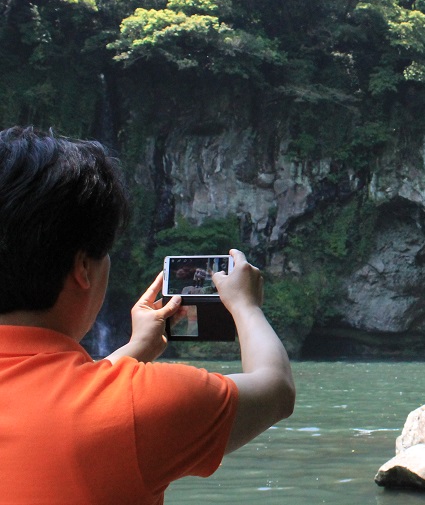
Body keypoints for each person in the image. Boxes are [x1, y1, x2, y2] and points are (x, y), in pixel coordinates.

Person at [0, 126, 296, 504]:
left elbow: (43, 405)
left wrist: (134, 349)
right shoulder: (140, 402)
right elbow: (276, 390)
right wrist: (245, 306)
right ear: (83, 270)